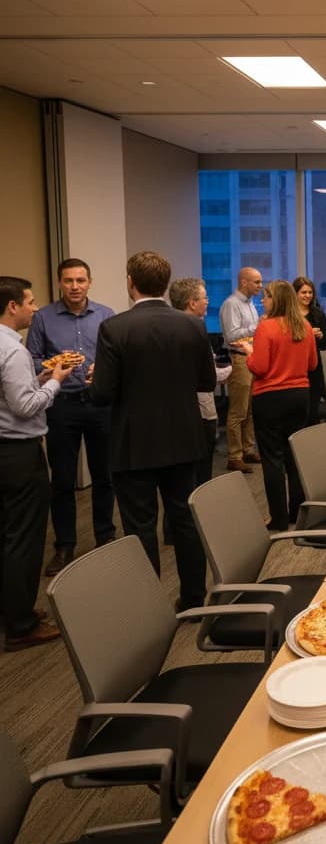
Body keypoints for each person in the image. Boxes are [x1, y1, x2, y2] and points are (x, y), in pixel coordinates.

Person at [90, 252, 215, 612]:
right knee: (185, 521)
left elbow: (102, 394)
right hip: (184, 439)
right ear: (165, 283)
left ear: (130, 282)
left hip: (134, 445)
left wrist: (96, 379)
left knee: (140, 527)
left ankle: (148, 608)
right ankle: (193, 599)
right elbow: (206, 381)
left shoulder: (114, 328)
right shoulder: (191, 326)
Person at [26, 258, 116, 576]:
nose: (75, 286)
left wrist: (102, 369)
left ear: (89, 281)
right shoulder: (43, 318)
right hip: (61, 405)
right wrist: (51, 365)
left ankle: (105, 535)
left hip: (99, 403)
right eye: (68, 281)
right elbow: (32, 359)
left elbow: (115, 357)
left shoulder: (106, 315)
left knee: (104, 474)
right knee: (62, 478)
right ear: (59, 283)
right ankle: (65, 544)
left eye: (80, 280)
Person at [0, 276, 73, 650]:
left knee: (7, 535)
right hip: (18, 453)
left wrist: (40, 375)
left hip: (4, 452)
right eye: (29, 301)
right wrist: (56, 381)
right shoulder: (12, 351)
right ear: (12, 306)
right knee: (24, 540)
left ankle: (11, 610)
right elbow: (26, 405)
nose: (34, 307)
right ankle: (21, 625)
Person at [236, 281, 317, 532]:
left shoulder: (266, 327)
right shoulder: (303, 326)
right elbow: (312, 365)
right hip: (300, 396)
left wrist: (249, 351)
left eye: (267, 297)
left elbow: (259, 367)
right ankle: (297, 512)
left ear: (277, 300)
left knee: (272, 460)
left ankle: (279, 519)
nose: (263, 300)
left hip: (270, 398)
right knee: (294, 457)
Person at [168, 277, 233, 486]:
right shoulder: (195, 329)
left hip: (174, 414)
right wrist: (239, 367)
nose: (208, 301)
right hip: (199, 411)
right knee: (201, 474)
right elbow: (209, 378)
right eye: (205, 298)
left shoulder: (167, 328)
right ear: (191, 302)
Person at [219, 266, 263, 473]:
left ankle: (248, 449)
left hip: (251, 358)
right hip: (239, 359)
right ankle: (234, 456)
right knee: (238, 410)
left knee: (250, 408)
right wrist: (258, 327)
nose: (260, 286)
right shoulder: (231, 304)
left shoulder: (250, 304)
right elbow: (232, 335)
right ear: (244, 282)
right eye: (257, 282)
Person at [293, 276, 326, 426]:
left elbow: (325, 344)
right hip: (294, 366)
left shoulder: (318, 314)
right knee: (296, 410)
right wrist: (306, 334)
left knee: (312, 409)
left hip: (313, 367)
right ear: (295, 293)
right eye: (303, 292)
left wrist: (320, 337)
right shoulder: (289, 315)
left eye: (310, 292)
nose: (308, 295)